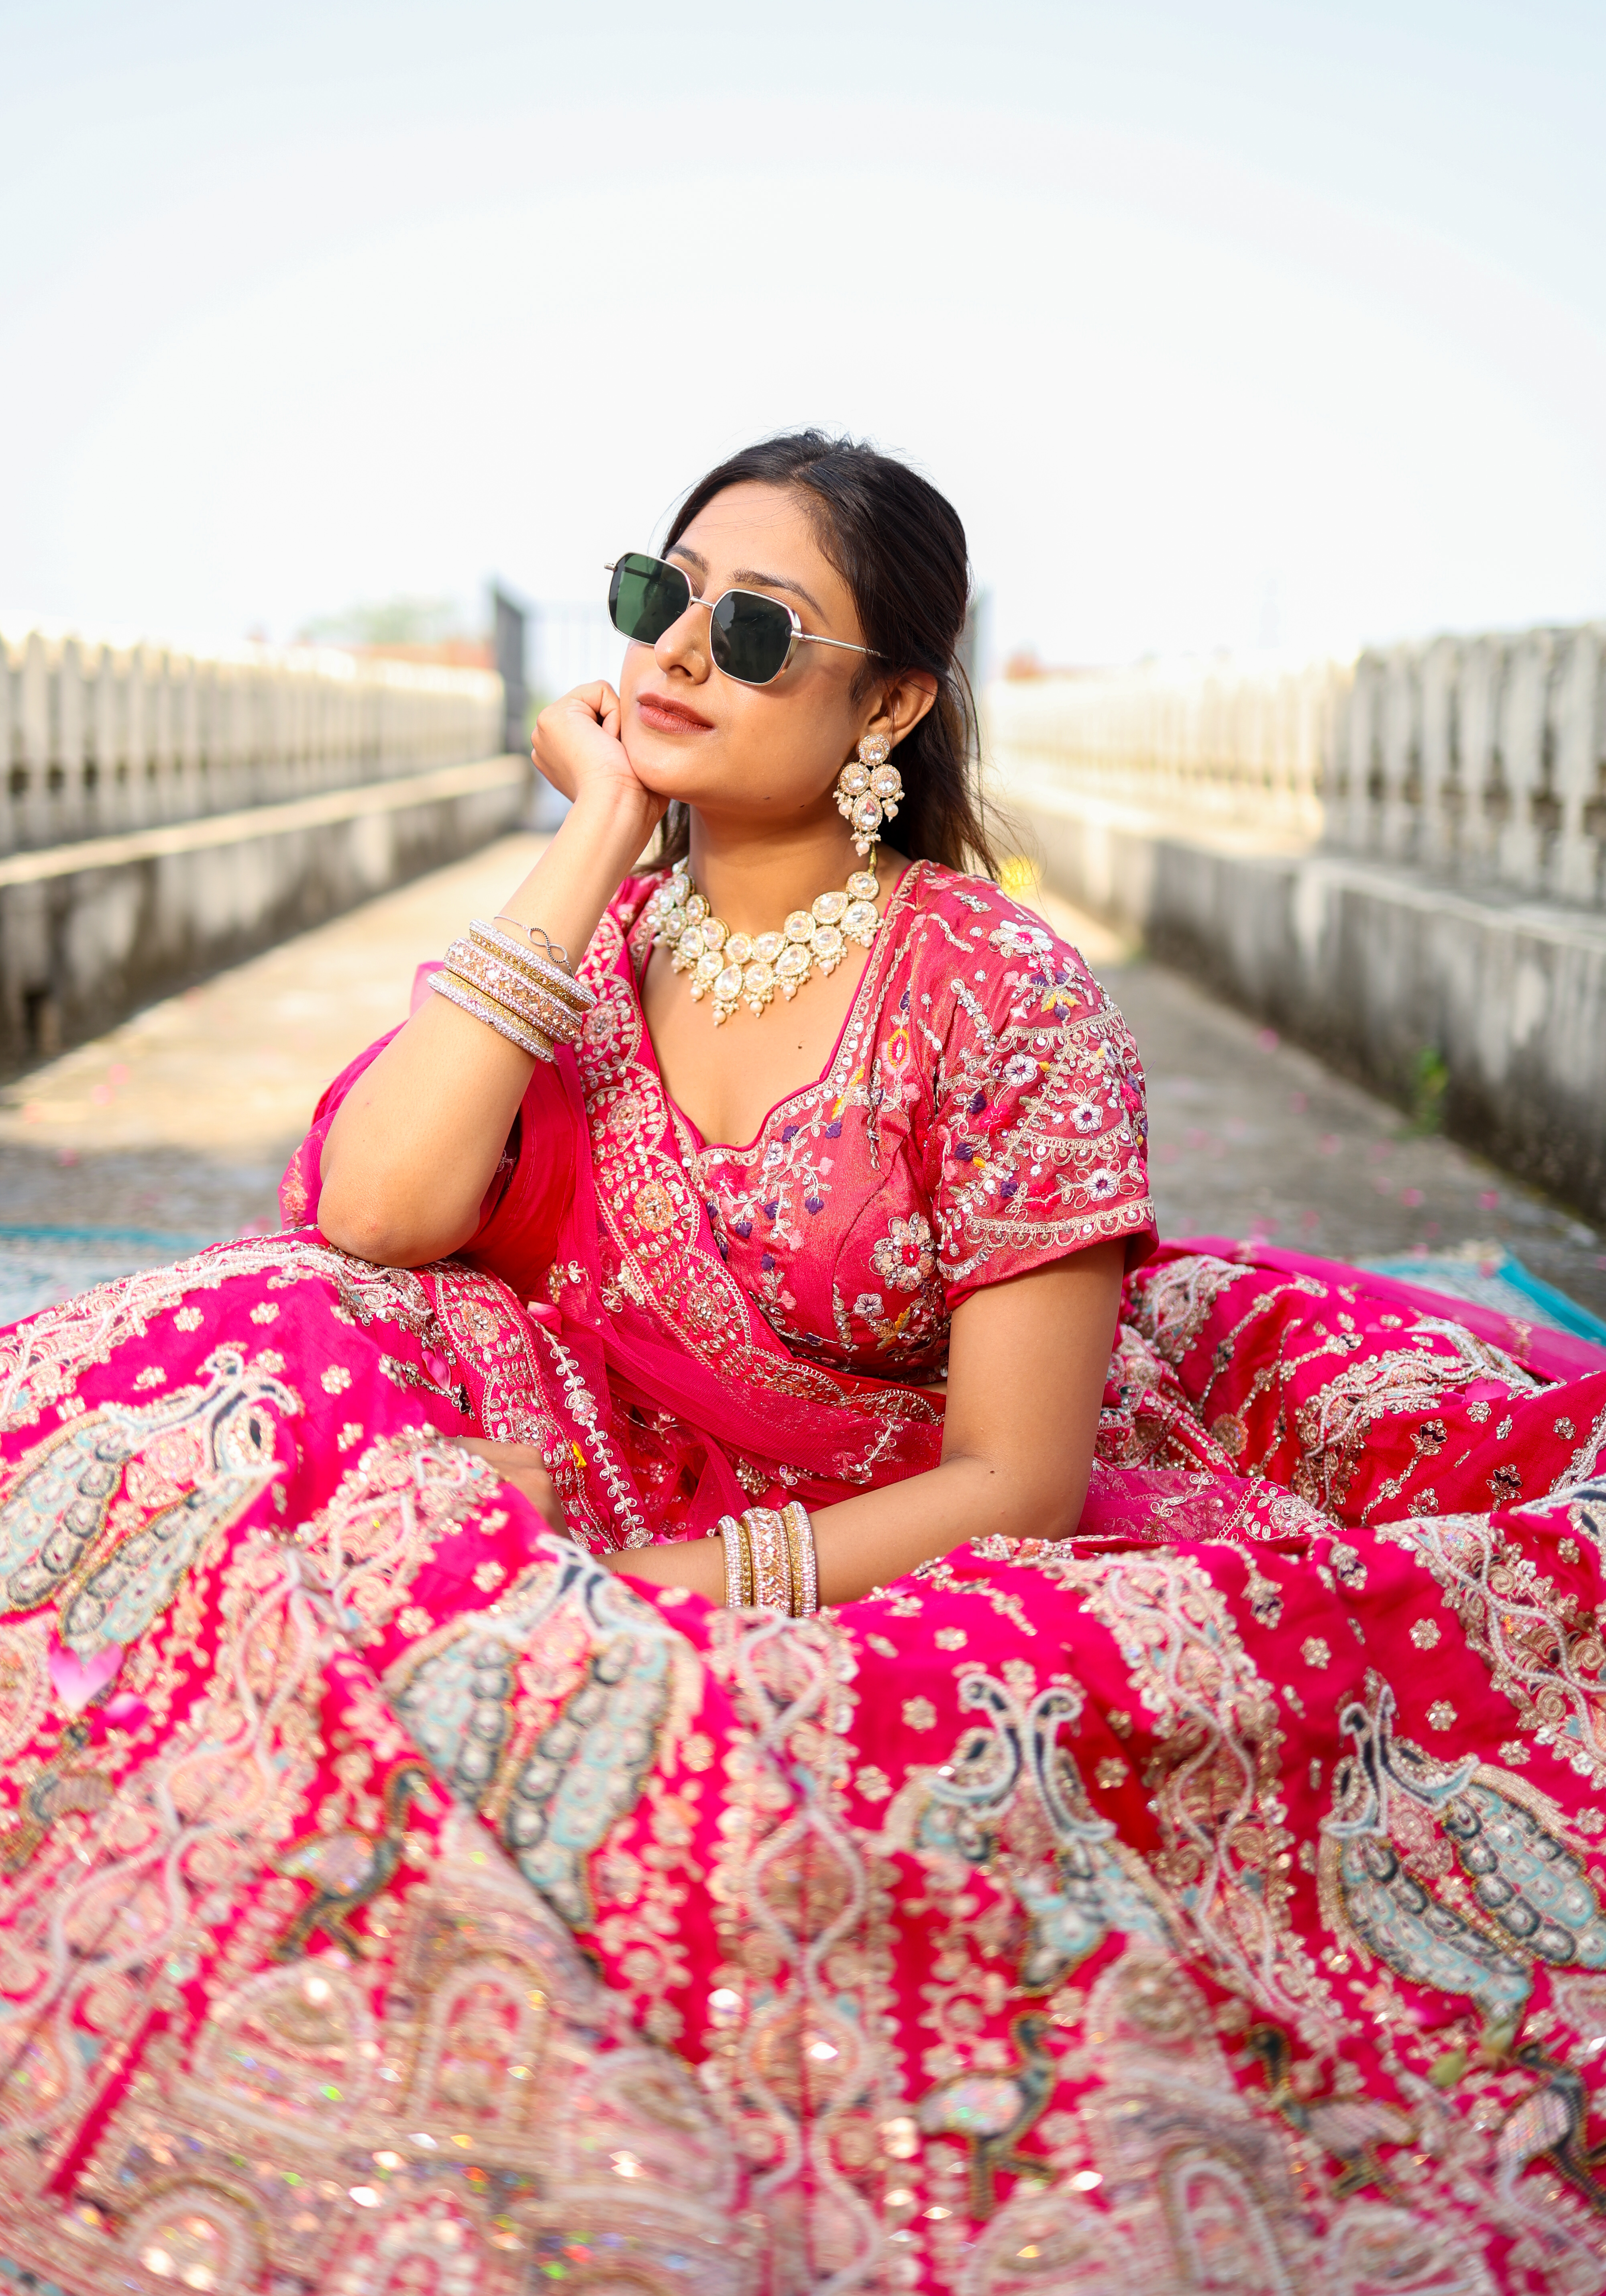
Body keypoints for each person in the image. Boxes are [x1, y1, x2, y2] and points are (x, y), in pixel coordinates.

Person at [1, 434, 1604, 2296]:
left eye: (753, 628)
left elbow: (1022, 1483)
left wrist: (667, 1592)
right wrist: (595, 830)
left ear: (896, 700)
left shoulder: (1007, 999)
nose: (676, 650)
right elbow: (374, 1216)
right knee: (234, 1356)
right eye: (651, 597)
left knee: (815, 1731)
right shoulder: (597, 932)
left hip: (888, 1520)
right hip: (599, 1424)